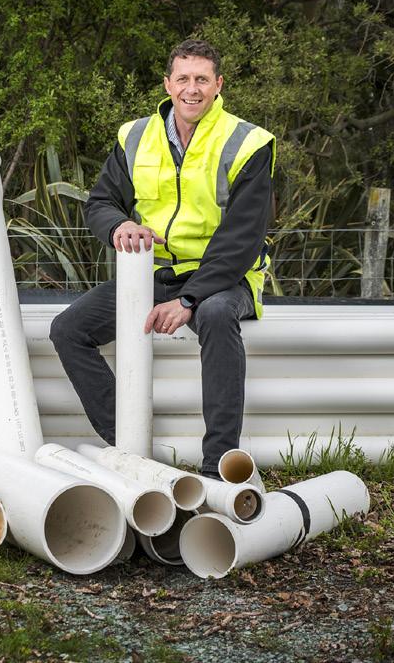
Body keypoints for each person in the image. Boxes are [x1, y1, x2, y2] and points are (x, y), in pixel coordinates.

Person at [49, 39, 275, 478]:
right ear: (168, 84)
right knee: (67, 330)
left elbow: (243, 237)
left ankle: (219, 466)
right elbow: (100, 202)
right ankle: (128, 449)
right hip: (152, 274)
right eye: (183, 79)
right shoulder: (136, 136)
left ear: (218, 84)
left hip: (225, 277)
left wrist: (188, 299)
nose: (193, 89)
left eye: (202, 79)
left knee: (215, 314)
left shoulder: (248, 142)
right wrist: (119, 225)